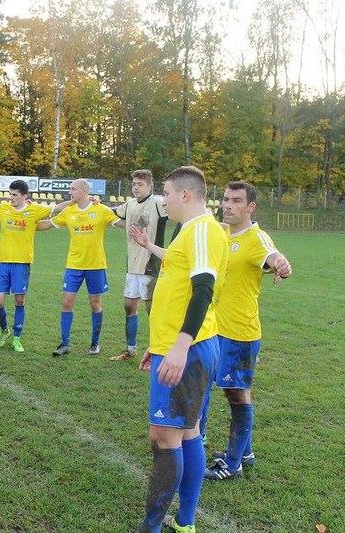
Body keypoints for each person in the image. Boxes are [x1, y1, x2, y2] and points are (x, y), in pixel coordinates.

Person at [129, 166, 228, 533]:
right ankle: (185, 523)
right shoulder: (191, 231)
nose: (163, 200)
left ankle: (151, 527)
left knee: (165, 438)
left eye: (166, 194)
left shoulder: (202, 229)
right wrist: (158, 346)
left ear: (185, 195)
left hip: (189, 349)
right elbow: (178, 269)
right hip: (181, 347)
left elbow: (203, 288)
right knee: (188, 432)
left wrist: (179, 346)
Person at [202, 181, 292, 481]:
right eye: (226, 199)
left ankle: (233, 464)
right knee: (235, 390)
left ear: (250, 207)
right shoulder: (224, 233)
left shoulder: (256, 237)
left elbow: (273, 256)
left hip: (240, 332)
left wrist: (281, 264)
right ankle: (245, 452)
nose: (228, 205)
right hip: (219, 326)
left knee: (237, 395)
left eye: (236, 201)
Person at [36, 178, 125, 356]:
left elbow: (120, 223)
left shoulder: (101, 209)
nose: (70, 192)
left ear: (84, 191)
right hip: (73, 265)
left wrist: (139, 223)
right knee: (67, 302)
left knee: (95, 304)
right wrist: (29, 220)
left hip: (96, 265)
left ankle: (95, 343)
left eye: (73, 189)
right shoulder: (68, 212)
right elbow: (45, 225)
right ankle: (65, 343)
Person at [0, 180, 72, 353]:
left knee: (20, 300)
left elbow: (56, 208)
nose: (11, 198)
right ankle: (5, 330)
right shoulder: (2, 209)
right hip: (2, 262)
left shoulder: (34, 210)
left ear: (24, 196)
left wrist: (77, 200)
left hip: (22, 263)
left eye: (15, 195)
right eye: (10, 194)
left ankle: (17, 338)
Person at [109, 169, 169, 362]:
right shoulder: (130, 205)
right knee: (128, 306)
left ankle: (158, 351)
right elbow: (113, 214)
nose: (136, 187)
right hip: (132, 264)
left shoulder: (158, 204)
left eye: (140, 184)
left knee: (152, 309)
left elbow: (176, 215)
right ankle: (130, 349)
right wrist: (95, 205)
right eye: (134, 184)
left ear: (150, 186)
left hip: (151, 264)